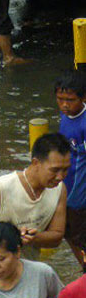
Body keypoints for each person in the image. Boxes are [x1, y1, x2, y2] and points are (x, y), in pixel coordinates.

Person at [54, 71, 86, 268]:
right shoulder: (66, 115)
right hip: (66, 185)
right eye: (60, 99)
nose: (65, 104)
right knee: (69, 234)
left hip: (79, 194)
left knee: (79, 236)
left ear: (83, 98)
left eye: (70, 100)